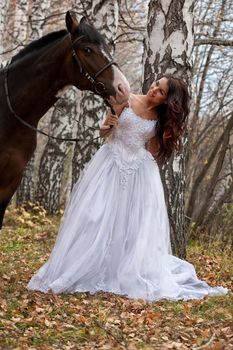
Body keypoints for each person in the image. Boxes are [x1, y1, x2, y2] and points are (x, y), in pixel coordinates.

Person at [27, 75, 227, 301]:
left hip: (139, 171)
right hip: (110, 162)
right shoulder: (127, 100)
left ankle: (121, 267)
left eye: (160, 91)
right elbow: (104, 133)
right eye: (155, 84)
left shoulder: (160, 119)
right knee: (95, 215)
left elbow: (151, 150)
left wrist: (167, 138)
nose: (153, 90)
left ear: (167, 100)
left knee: (131, 221)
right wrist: (107, 126)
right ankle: (83, 265)